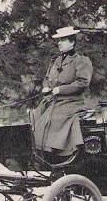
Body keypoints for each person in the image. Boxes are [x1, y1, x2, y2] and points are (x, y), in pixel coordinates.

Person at [33, 26, 93, 159]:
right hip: (53, 101)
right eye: (59, 40)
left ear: (72, 42)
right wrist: (46, 88)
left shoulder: (81, 60)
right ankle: (38, 151)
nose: (59, 43)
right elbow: (47, 79)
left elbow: (83, 82)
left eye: (63, 40)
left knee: (55, 118)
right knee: (35, 115)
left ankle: (56, 152)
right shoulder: (55, 61)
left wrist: (60, 89)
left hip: (72, 102)